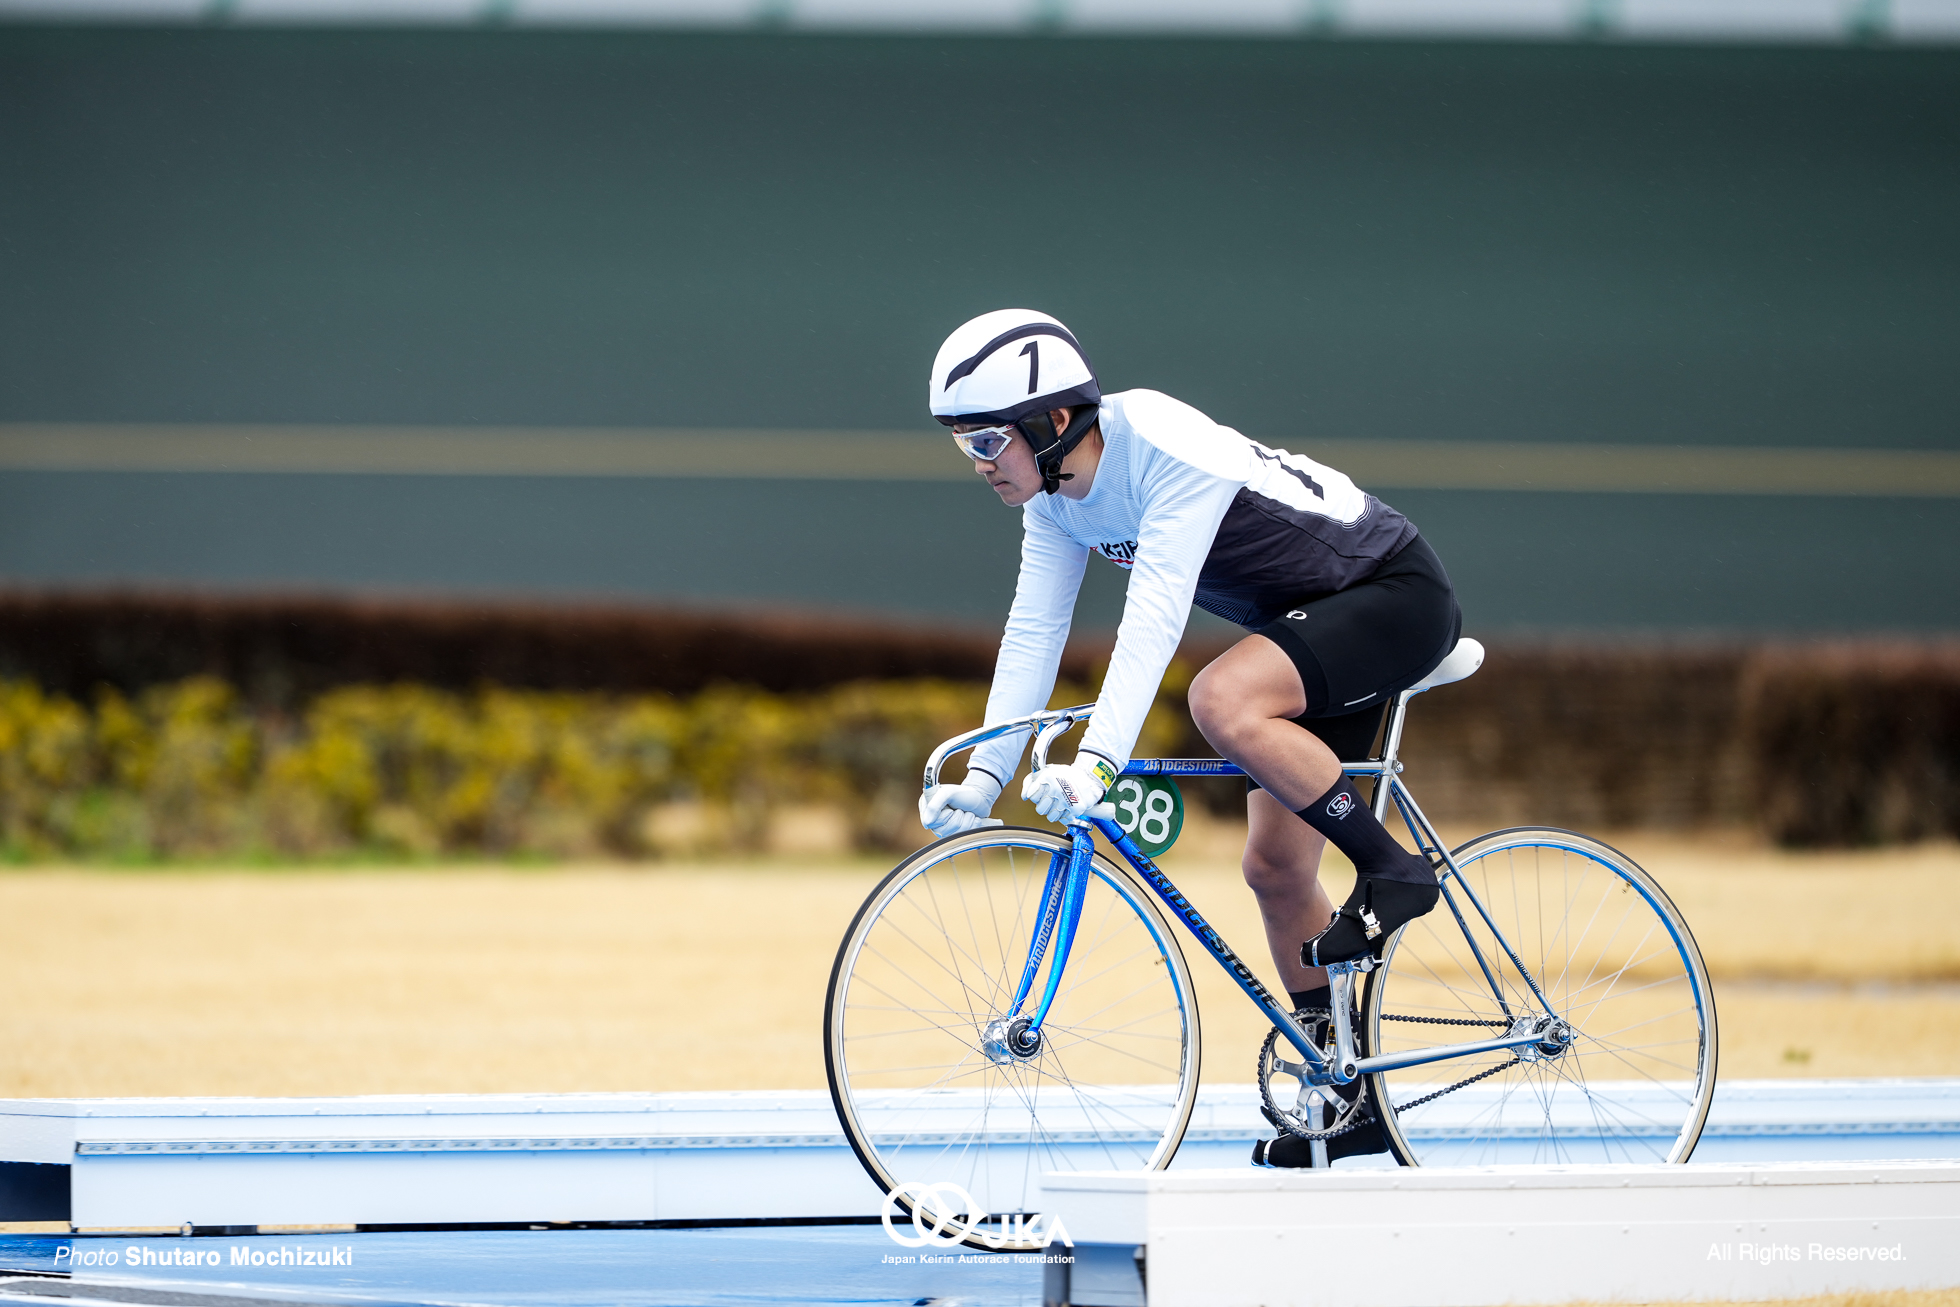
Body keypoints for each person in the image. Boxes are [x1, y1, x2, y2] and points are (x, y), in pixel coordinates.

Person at [914, 309, 1464, 1167]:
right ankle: (1353, 1095)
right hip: (1312, 632)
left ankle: (1395, 869)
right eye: (964, 447)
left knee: (1219, 695)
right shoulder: (1057, 501)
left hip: (1392, 595)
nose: (978, 465)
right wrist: (984, 779)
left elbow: (1153, 620)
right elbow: (1033, 631)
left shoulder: (1163, 441)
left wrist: (1098, 762)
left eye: (987, 442)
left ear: (1052, 421)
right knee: (1276, 871)